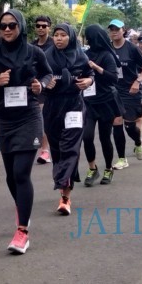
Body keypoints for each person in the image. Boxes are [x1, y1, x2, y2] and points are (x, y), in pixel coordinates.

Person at [0, 9, 53, 254]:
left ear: (20, 26)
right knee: (11, 175)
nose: (7, 29)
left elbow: (48, 73)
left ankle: (22, 231)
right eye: (3, 26)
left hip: (29, 116)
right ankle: (23, 208)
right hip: (5, 118)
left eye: (12, 25)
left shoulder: (34, 52)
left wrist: (39, 84)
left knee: (21, 173)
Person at [44, 23, 94, 213]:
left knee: (70, 148)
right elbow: (35, 76)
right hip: (52, 107)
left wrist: (88, 81)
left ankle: (65, 197)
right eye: (56, 35)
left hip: (74, 105)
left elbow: (90, 75)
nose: (58, 38)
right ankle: (63, 182)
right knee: (57, 150)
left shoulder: (81, 56)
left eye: (63, 35)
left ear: (71, 37)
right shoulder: (46, 56)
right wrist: (44, 82)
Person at [82, 24, 123, 186]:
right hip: (89, 102)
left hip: (106, 102)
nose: (88, 39)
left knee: (105, 137)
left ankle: (108, 168)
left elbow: (113, 78)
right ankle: (92, 168)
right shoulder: (85, 55)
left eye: (90, 37)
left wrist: (97, 68)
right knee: (87, 136)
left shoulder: (107, 55)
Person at [108, 19, 142, 167]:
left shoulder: (132, 48)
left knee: (129, 126)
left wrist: (137, 82)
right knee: (117, 122)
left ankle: (138, 142)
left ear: (123, 30)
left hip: (130, 91)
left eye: (117, 29)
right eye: (111, 29)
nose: (114, 31)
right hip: (114, 91)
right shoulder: (108, 48)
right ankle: (121, 159)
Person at [30, 15, 53, 164]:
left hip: (54, 85)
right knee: (41, 117)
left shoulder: (55, 43)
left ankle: (54, 147)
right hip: (38, 87)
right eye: (38, 25)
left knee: (54, 120)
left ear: (49, 27)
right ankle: (45, 151)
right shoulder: (32, 46)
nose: (40, 28)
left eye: (44, 26)